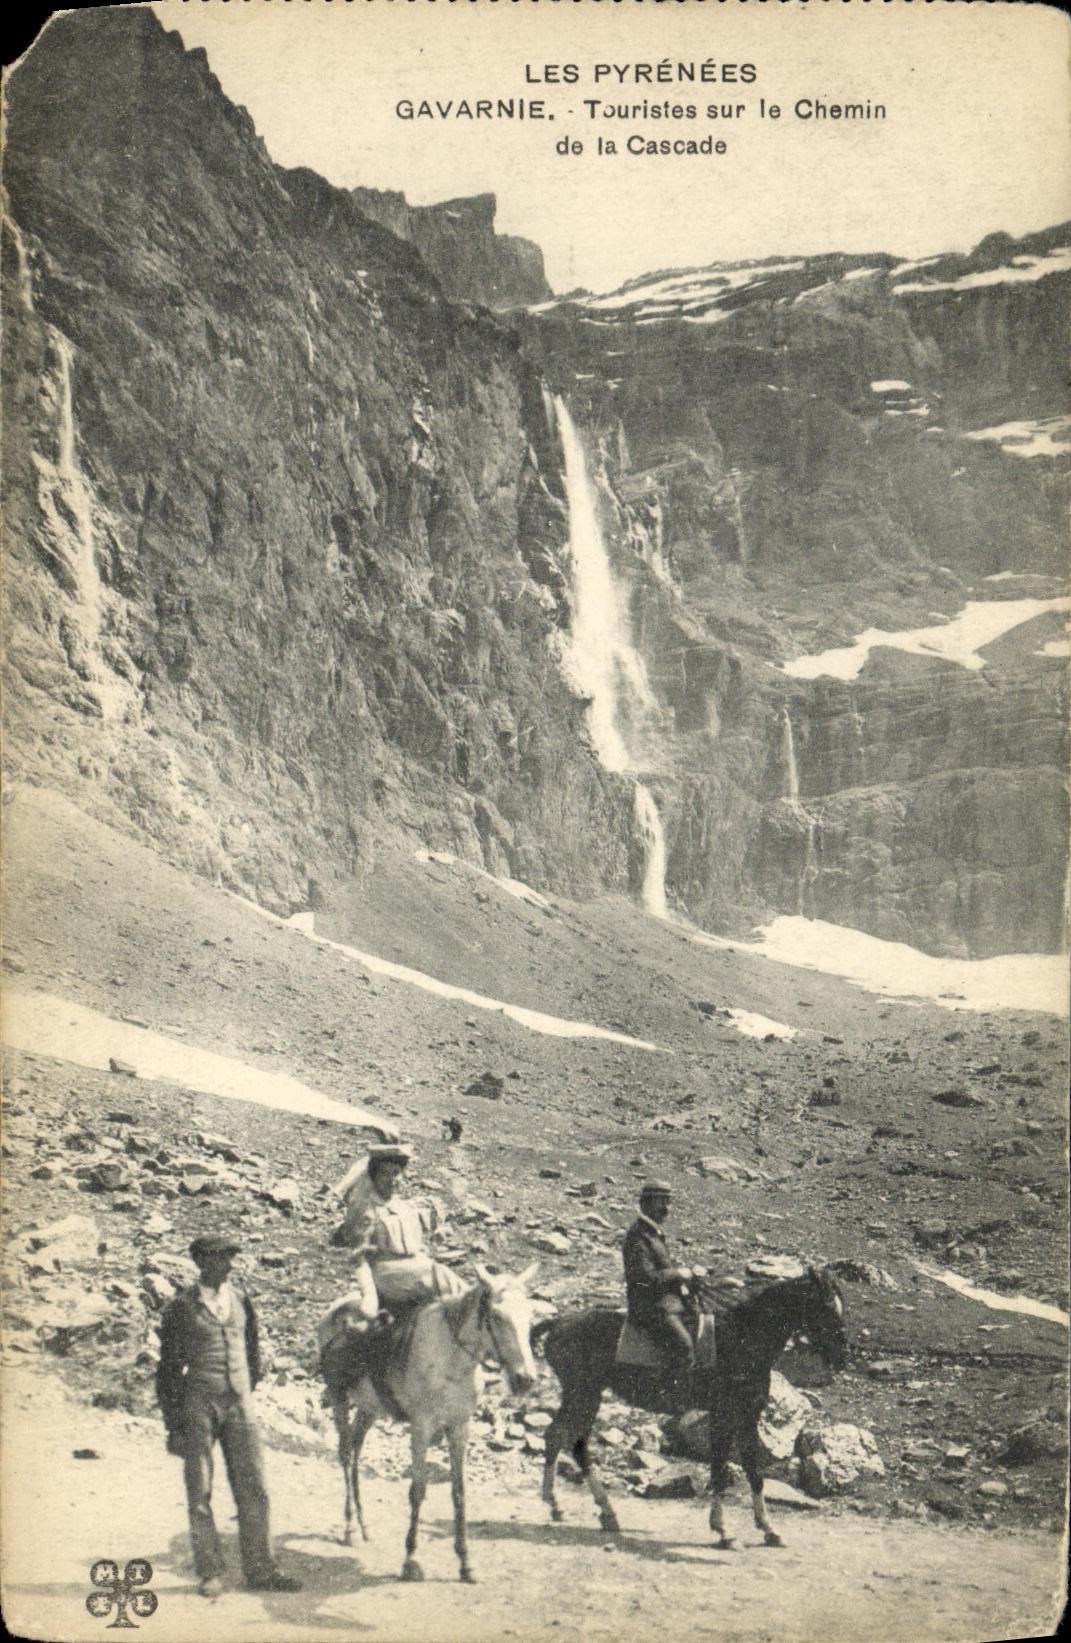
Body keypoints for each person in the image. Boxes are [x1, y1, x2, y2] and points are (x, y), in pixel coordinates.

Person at [155, 1233, 302, 1598]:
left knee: (255, 1487)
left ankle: (261, 1569)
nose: (230, 1265)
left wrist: (243, 1389)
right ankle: (210, 1571)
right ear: (202, 1262)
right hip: (197, 1404)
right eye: (222, 1259)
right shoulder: (180, 1308)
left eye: (231, 1258)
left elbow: (252, 1353)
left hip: (239, 1403)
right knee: (200, 1490)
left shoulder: (242, 1301)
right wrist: (175, 1423)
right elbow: (169, 1370)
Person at [330, 1143, 464, 1310]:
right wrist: (369, 1296)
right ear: (374, 1177)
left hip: (417, 1270)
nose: (392, 1180)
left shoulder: (405, 1208)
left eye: (396, 1173)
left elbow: (416, 1247)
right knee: (441, 1276)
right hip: (386, 1275)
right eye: (385, 1174)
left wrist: (435, 1242)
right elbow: (359, 1258)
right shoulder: (366, 1209)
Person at [621, 1181, 696, 1406]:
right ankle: (673, 1401)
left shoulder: (653, 1234)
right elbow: (646, 1278)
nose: (667, 1208)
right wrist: (680, 1273)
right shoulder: (638, 1236)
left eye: (668, 1201)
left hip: (665, 1302)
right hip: (650, 1307)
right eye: (662, 1201)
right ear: (648, 1203)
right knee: (684, 1346)